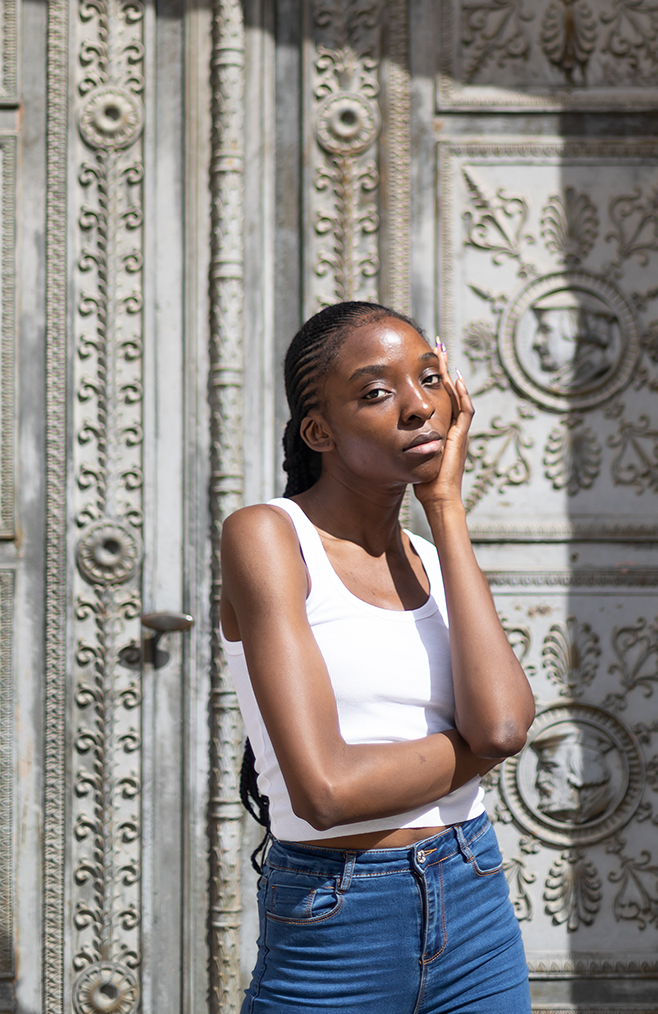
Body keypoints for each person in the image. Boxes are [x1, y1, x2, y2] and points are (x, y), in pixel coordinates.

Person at [220, 300, 536, 1012]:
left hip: (474, 898)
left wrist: (446, 510)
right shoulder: (269, 538)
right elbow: (326, 793)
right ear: (318, 430)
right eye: (376, 391)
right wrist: (482, 749)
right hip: (337, 920)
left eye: (430, 378)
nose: (419, 407)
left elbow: (506, 726)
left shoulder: (433, 556)